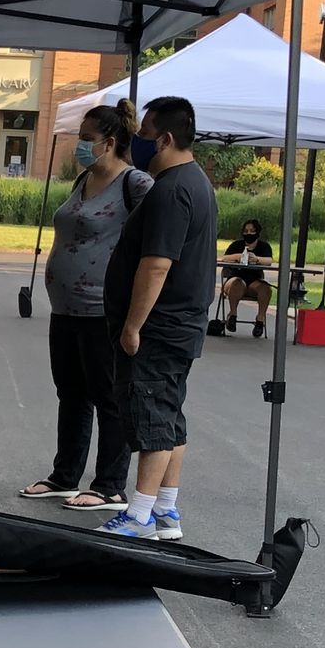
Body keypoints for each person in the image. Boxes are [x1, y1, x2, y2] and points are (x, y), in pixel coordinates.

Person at [18, 98, 151, 513]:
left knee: (109, 396)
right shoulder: (83, 181)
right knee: (72, 393)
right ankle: (64, 476)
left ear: (109, 143)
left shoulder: (136, 185)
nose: (80, 145)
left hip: (103, 311)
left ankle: (110, 485)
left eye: (86, 139)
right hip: (66, 308)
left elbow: (158, 241)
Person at [99, 96, 218, 541]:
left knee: (150, 418)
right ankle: (166, 510)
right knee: (169, 416)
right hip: (181, 325)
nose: (138, 145)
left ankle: (139, 515)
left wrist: (132, 325)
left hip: (160, 326)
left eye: (144, 136)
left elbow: (156, 264)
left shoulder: (170, 190)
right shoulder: (197, 182)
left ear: (165, 139)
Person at [217, 218, 273, 338]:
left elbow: (269, 261)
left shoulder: (264, 246)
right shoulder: (236, 245)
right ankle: (232, 314)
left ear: (257, 232)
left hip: (254, 281)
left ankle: (260, 319)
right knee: (237, 284)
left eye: (252, 231)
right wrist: (238, 256)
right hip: (234, 278)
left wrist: (257, 259)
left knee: (266, 289)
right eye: (246, 231)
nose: (248, 234)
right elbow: (224, 258)